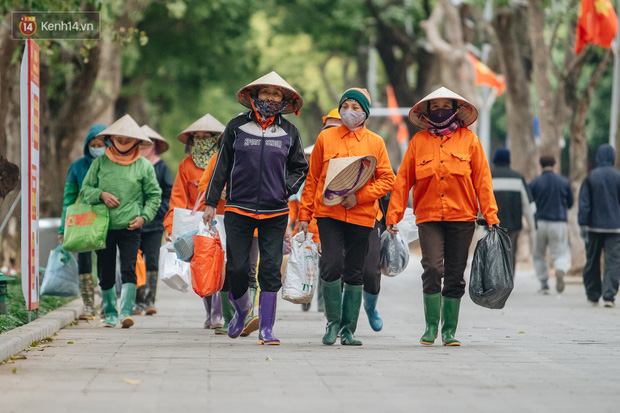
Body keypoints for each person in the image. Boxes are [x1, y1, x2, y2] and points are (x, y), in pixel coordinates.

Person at [386, 87, 499, 347]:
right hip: (428, 217)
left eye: (444, 106)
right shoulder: (418, 142)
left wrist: (491, 216)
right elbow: (403, 181)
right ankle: (429, 327)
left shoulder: (470, 141)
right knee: (433, 268)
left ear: (455, 109)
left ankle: (449, 331)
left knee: (456, 273)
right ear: (426, 112)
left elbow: (483, 181)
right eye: (434, 107)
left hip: (462, 217)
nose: (440, 111)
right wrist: (394, 215)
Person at [203, 71, 308, 345]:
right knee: (237, 268)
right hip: (238, 208)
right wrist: (211, 203)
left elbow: (300, 168)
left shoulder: (289, 131)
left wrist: (285, 189)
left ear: (283, 100)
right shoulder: (236, 127)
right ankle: (241, 310)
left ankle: (267, 329)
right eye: (266, 92)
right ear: (255, 95)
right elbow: (220, 166)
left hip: (275, 212)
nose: (270, 97)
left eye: (276, 94)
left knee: (271, 268)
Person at [299, 88, 395, 346]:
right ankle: (332, 324)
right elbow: (313, 178)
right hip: (328, 214)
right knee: (330, 266)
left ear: (365, 113)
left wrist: (360, 196)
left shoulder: (376, 142)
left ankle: (348, 330)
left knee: (355, 272)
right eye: (346, 105)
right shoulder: (326, 138)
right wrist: (304, 214)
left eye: (355, 106)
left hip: (362, 217)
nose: (349, 111)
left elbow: (388, 179)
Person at [81, 114, 162, 328]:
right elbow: (85, 190)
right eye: (119, 137)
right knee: (105, 271)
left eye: (128, 138)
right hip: (103, 226)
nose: (123, 141)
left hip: (130, 226)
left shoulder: (144, 166)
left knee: (129, 268)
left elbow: (155, 195)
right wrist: (101, 195)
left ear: (136, 141)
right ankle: (109, 314)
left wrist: (143, 217)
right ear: (111, 138)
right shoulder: (99, 163)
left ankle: (126, 312)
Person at [165, 114, 227, 331]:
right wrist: (170, 226)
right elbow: (178, 199)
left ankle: (219, 313)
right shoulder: (186, 166)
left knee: (223, 266)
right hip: (197, 224)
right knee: (202, 266)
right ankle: (211, 312)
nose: (202, 140)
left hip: (225, 220)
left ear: (216, 138)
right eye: (197, 137)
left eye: (207, 136)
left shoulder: (227, 160)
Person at [197, 134, 260, 336]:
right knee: (228, 269)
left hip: (254, 221)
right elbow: (203, 185)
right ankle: (228, 319)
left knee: (250, 268)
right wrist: (218, 193)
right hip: (224, 222)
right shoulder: (217, 159)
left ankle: (247, 316)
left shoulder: (256, 157)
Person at [59, 123, 107, 320]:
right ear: (87, 144)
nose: (97, 148)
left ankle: (107, 305)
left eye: (101, 144)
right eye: (93, 144)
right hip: (82, 221)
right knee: (84, 263)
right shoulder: (77, 167)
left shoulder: (112, 166)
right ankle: (88, 306)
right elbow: (69, 200)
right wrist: (63, 228)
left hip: (105, 222)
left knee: (106, 263)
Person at [132, 125, 173, 316]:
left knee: (152, 262)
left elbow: (167, 193)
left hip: (155, 224)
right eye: (140, 142)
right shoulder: (130, 165)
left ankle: (149, 301)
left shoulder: (161, 166)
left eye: (148, 143)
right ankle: (137, 300)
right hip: (131, 222)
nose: (144, 146)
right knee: (133, 260)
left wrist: (159, 212)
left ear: (155, 145)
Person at [578, 144, 620, 307]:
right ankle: (609, 296)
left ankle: (593, 294)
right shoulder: (618, 176)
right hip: (615, 227)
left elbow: (584, 204)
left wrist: (582, 224)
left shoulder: (590, 177)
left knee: (592, 260)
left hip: (593, 227)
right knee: (613, 262)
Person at [529, 155, 573, 295]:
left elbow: (530, 203)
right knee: (560, 251)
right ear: (555, 165)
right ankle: (560, 268)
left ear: (540, 165)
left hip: (540, 222)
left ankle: (544, 284)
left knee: (539, 254)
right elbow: (570, 203)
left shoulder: (535, 183)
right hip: (559, 222)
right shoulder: (564, 182)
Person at [491, 148, 536, 272]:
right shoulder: (518, 177)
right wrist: (532, 226)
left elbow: (481, 199)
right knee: (511, 252)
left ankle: (496, 280)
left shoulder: (489, 176)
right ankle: (509, 280)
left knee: (495, 252)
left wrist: (477, 223)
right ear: (508, 160)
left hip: (493, 224)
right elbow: (527, 204)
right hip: (513, 224)